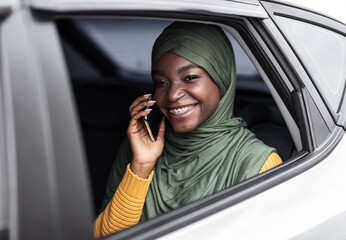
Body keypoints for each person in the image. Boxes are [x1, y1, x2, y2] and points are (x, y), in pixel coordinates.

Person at [94, 21, 282, 238]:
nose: (173, 95)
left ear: (221, 77)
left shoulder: (256, 164)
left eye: (190, 78)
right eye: (161, 82)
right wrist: (142, 166)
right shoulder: (143, 143)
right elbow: (103, 236)